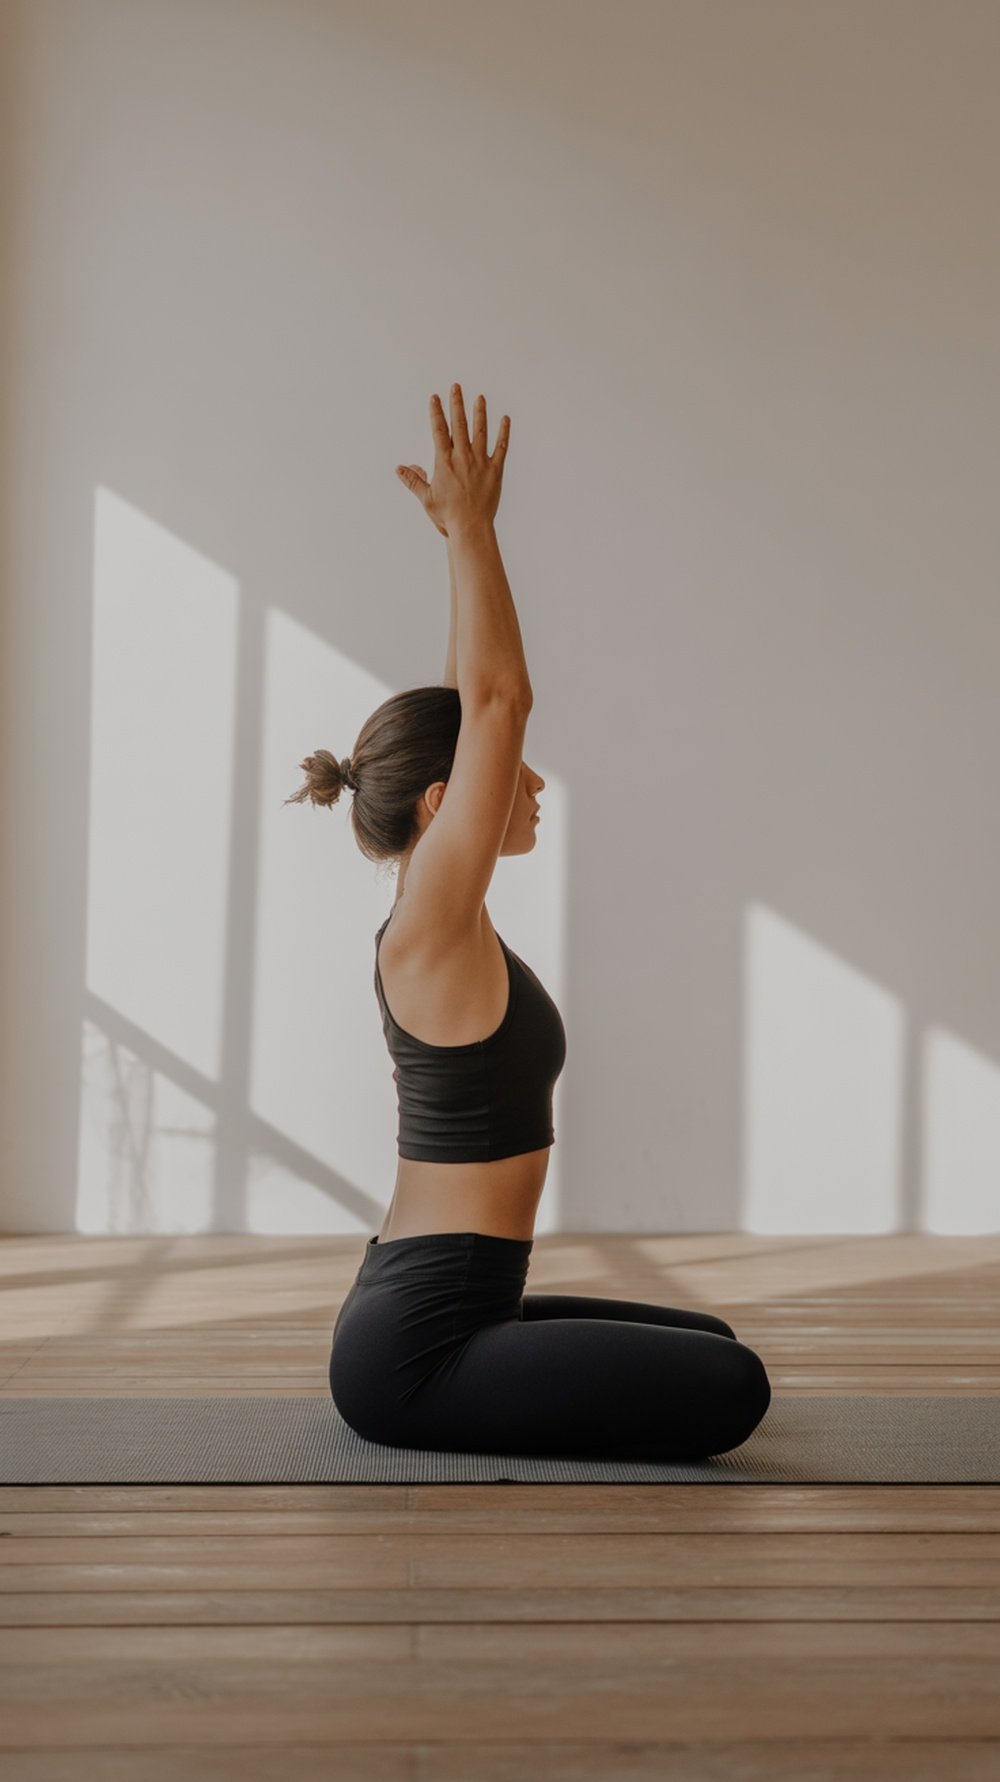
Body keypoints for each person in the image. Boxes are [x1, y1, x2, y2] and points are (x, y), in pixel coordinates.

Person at [284, 383, 771, 1461]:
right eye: (507, 776)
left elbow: (474, 703)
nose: (534, 782)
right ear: (440, 807)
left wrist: (459, 555)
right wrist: (473, 531)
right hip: (416, 1351)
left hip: (456, 1305)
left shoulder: (439, 913)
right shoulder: (430, 927)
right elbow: (498, 705)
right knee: (732, 1387)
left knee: (712, 1340)